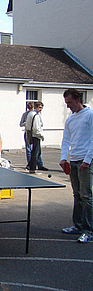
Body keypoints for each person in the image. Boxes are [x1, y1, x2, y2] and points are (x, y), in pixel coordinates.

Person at [60, 89, 93, 243]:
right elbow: (66, 140)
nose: (68, 106)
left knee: (86, 196)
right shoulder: (70, 119)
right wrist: (63, 158)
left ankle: (88, 230)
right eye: (66, 103)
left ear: (78, 99)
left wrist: (87, 160)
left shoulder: (90, 115)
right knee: (77, 195)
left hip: (86, 161)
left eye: (70, 102)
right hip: (73, 161)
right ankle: (77, 225)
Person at [20, 102, 47, 171]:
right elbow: (35, 128)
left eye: (41, 108)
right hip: (34, 135)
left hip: (33, 134)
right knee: (34, 152)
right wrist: (41, 135)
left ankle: (32, 166)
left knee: (35, 152)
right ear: (35, 107)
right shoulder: (34, 115)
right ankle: (32, 167)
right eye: (39, 107)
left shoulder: (34, 114)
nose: (40, 109)